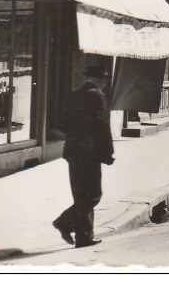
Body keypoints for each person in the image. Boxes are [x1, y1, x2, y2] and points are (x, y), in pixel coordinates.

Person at [53, 64, 114, 249]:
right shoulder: (97, 96)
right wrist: (107, 152)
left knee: (81, 195)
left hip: (72, 151)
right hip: (90, 153)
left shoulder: (74, 95)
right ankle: (63, 221)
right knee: (93, 195)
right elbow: (103, 126)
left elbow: (62, 124)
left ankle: (84, 236)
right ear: (101, 80)